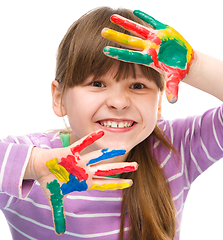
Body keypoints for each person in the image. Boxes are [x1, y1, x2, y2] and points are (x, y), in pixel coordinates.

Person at [0, 6, 223, 240]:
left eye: (138, 86)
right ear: (59, 98)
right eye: (97, 84)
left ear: (158, 104)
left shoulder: (175, 148)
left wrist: (194, 66)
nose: (118, 102)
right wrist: (34, 165)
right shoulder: (29, 162)